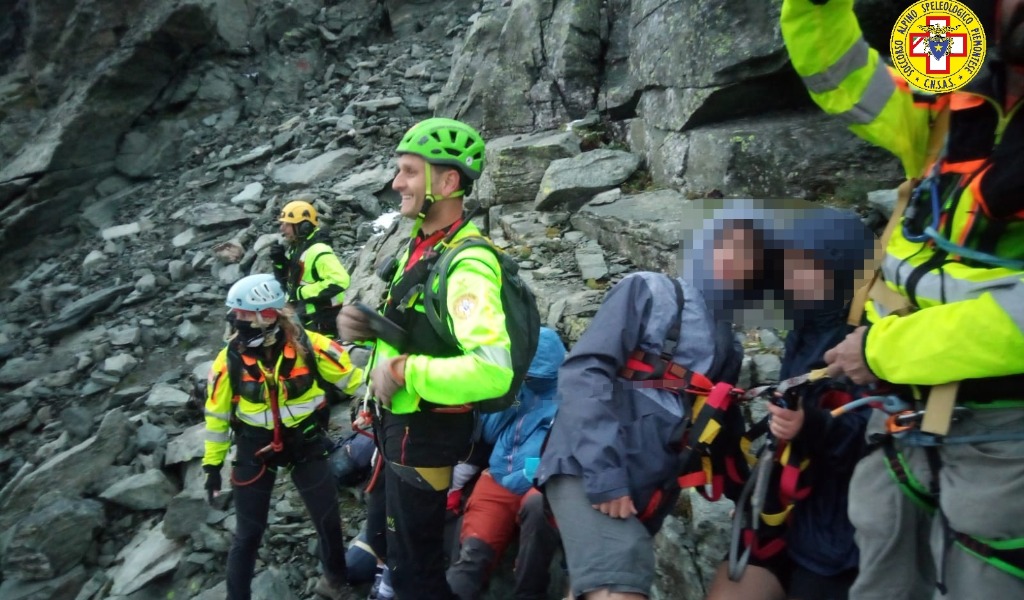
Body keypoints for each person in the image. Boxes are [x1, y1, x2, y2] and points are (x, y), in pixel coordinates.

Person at [782, 1, 1024, 598]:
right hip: (902, 418)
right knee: (884, 556)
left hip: (1001, 433)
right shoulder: (958, 92)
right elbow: (843, 78)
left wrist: (886, 351)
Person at [336, 117, 513, 600]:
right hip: (402, 427)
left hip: (427, 434)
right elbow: (423, 334)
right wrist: (370, 331)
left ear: (448, 180)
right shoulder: (425, 246)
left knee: (417, 573)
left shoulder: (469, 264)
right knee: (406, 559)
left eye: (410, 172)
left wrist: (404, 369)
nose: (397, 183)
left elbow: (493, 369)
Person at [704, 208, 875, 600]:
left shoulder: (869, 343)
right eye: (788, 264)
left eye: (807, 266)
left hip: (841, 531)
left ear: (845, 271)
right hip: (785, 510)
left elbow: (873, 432)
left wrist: (811, 426)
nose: (791, 276)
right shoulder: (807, 325)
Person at [202, 274, 363, 600]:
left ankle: (335, 580)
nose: (236, 320)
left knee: (328, 519)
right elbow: (217, 417)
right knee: (248, 534)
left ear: (268, 315)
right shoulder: (228, 361)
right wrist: (211, 467)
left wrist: (394, 394)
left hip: (306, 445)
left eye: (244, 313)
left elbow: (356, 380)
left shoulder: (313, 347)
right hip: (255, 449)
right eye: (235, 313)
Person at [446, 327, 567, 600]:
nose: (524, 376)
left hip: (544, 483)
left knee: (538, 508)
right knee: (472, 557)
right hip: (501, 475)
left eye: (529, 373)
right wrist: (508, 395)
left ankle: (528, 592)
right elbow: (487, 432)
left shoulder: (576, 393)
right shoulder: (518, 386)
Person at [270, 200, 351, 338]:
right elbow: (288, 284)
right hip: (307, 319)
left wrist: (301, 293)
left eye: (287, 224)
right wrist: (280, 263)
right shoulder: (298, 247)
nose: (282, 229)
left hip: (324, 322)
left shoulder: (319, 250)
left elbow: (340, 281)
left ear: (304, 226)